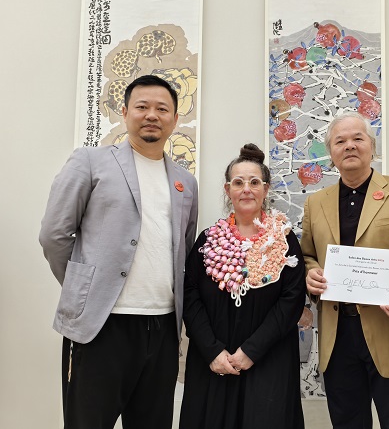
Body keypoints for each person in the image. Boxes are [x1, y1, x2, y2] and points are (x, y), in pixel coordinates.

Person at [39, 75, 199, 429]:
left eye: (162, 109)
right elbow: (54, 235)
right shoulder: (90, 162)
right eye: (142, 106)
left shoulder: (186, 182)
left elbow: (184, 251)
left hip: (162, 327)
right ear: (125, 112)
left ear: (175, 118)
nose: (152, 115)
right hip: (101, 326)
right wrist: (85, 289)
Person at [301, 112, 389, 428]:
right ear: (331, 153)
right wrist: (310, 274)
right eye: (340, 141)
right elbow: (307, 256)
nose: (349, 145)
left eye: (357, 138)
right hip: (337, 337)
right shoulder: (315, 203)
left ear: (372, 147)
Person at [180, 143, 306, 429]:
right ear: (228, 190)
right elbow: (190, 296)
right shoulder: (209, 240)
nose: (246, 189)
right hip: (214, 362)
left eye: (254, 182)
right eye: (238, 182)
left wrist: (251, 351)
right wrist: (212, 351)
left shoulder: (284, 241)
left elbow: (292, 300)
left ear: (266, 189)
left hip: (269, 359)